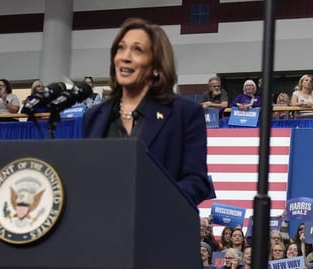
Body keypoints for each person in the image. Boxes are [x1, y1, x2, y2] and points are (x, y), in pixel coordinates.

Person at [83, 19, 215, 207]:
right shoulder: (94, 116)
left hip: (159, 227)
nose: (125, 57)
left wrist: (157, 203)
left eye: (137, 50)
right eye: (120, 48)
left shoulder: (185, 113)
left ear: (155, 66)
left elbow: (196, 181)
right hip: (104, 228)